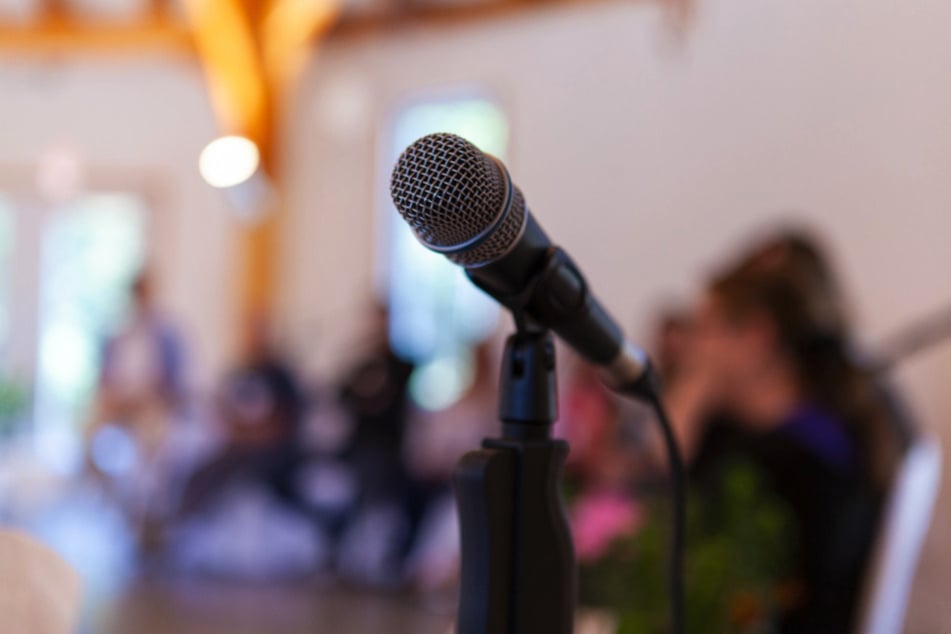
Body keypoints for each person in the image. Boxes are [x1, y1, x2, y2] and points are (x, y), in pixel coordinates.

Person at [666, 230, 904, 632]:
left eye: (707, 327)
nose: (694, 348)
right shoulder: (762, 436)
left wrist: (691, 394)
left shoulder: (795, 461)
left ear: (757, 336)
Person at [177, 316, 307, 519]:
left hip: (271, 449)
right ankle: (185, 523)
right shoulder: (240, 372)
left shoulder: (281, 377)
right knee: (200, 475)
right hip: (238, 446)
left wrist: (254, 435)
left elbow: (286, 421)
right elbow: (225, 411)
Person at [86, 271, 186, 474]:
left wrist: (156, 395)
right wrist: (114, 395)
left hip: (152, 402)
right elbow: (104, 377)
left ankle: (147, 492)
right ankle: (102, 490)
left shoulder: (167, 335)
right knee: (90, 431)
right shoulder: (119, 335)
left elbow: (178, 381)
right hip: (118, 400)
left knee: (154, 436)